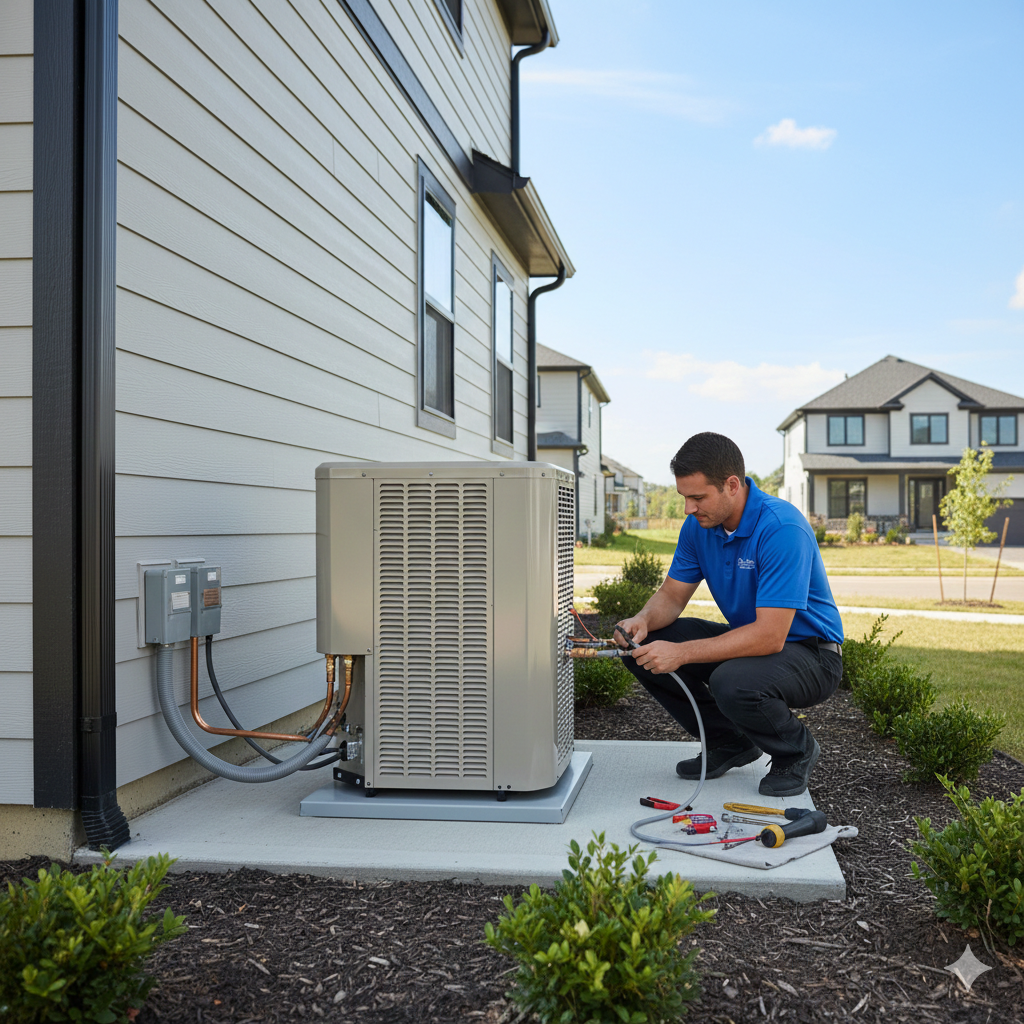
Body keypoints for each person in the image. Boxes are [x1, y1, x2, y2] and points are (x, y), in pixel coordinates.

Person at [616, 432, 843, 797]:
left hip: (812, 654)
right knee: (646, 646)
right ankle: (728, 742)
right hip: (758, 642)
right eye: (684, 497)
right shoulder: (698, 527)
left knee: (731, 680)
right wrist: (641, 621)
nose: (689, 508)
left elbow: (770, 636)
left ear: (732, 485)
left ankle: (796, 751)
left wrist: (683, 653)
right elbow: (672, 596)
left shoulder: (781, 529)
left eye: (698, 497)